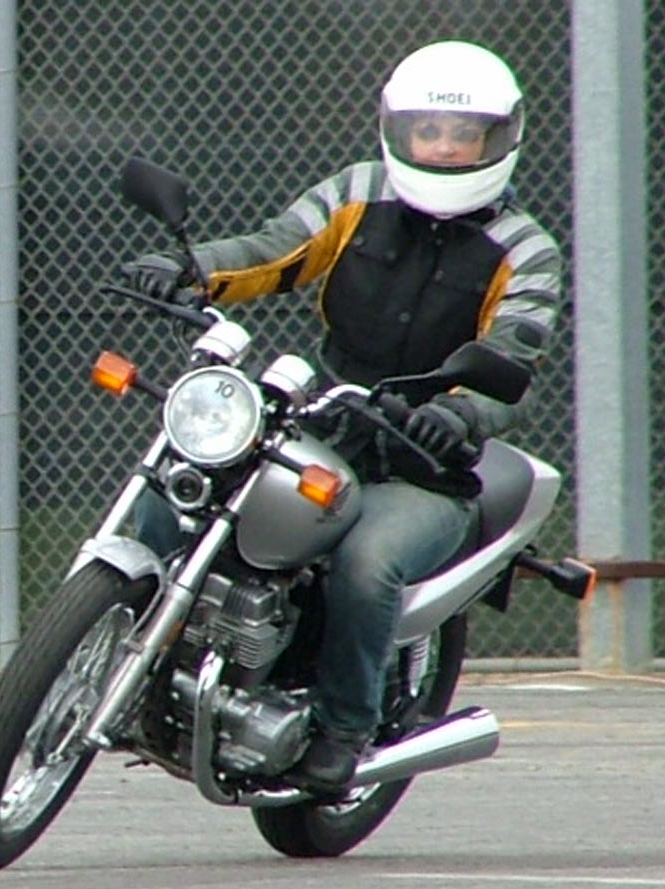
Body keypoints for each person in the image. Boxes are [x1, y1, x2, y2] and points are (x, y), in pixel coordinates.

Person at [123, 40, 563, 792]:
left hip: (424, 465)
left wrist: (458, 414)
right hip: (327, 422)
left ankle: (344, 729)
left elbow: (513, 354)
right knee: (185, 487)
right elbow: (276, 251)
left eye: (463, 134)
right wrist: (193, 272)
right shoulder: (357, 192)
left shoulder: (525, 250)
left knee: (366, 565)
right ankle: (142, 652)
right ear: (397, 130)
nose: (444, 147)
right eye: (428, 130)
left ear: (500, 139)